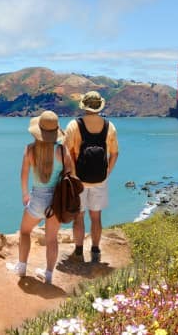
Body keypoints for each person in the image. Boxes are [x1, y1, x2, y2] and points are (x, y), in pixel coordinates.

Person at [7, 110, 74, 285]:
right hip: (56, 201)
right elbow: (71, 174)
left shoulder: (30, 149)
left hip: (37, 199)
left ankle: (21, 267)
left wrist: (25, 194)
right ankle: (49, 275)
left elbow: (23, 174)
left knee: (24, 231)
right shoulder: (61, 150)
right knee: (52, 239)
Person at [63, 91, 119, 263]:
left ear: (84, 106)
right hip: (99, 179)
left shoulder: (74, 125)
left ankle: (79, 252)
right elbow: (114, 154)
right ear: (99, 106)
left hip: (78, 179)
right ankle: (95, 251)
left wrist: (71, 174)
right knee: (96, 217)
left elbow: (66, 152)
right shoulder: (109, 126)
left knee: (79, 217)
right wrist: (107, 172)